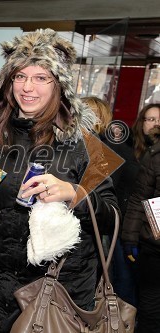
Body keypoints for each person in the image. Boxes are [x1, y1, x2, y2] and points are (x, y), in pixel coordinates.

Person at [0, 29, 118, 333]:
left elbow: (111, 215)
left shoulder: (85, 141)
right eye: (20, 76)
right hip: (0, 286)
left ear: (59, 85)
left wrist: (75, 193)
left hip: (61, 290)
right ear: (8, 81)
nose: (27, 87)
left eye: (41, 77)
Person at [82, 96, 140, 306]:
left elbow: (96, 192)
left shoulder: (106, 148)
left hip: (104, 224)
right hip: (104, 222)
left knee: (102, 280)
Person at [121, 126, 160, 332]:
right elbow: (139, 197)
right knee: (150, 313)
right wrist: (130, 237)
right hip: (154, 247)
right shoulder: (156, 154)